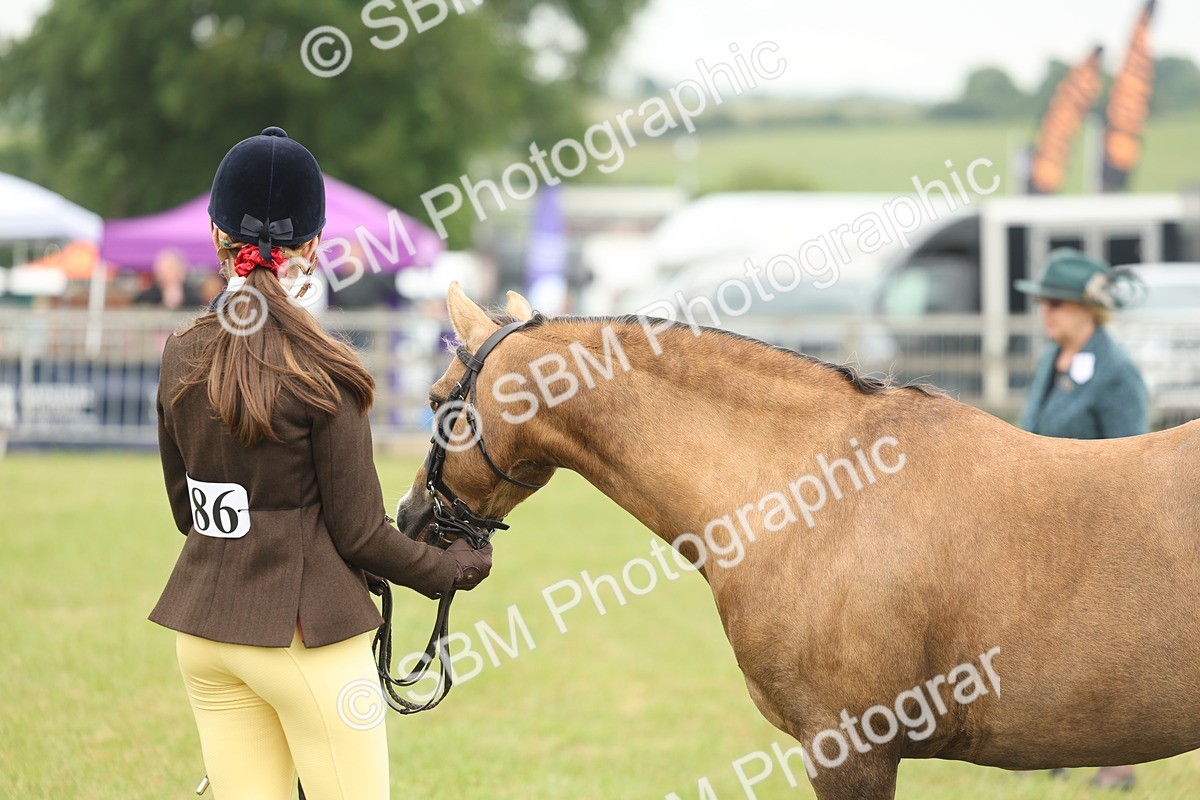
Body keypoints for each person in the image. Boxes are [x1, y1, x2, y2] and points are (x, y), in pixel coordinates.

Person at [149, 126, 492, 800]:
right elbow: (360, 535)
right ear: (312, 246)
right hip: (304, 642)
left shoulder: (178, 354)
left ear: (217, 235)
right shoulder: (327, 370)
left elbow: (189, 509)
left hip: (206, 640)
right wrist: (449, 570)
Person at [1015, 248, 1147, 791]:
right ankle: (1056, 745)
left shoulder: (1117, 372)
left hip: (1099, 530)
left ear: (1088, 310)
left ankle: (1118, 763)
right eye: (1043, 301)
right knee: (1044, 644)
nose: (1046, 312)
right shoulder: (1053, 359)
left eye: (1057, 303)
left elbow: (1132, 457)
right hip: (1047, 527)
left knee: (1106, 649)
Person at [134, 248, 203, 309]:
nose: (168, 273)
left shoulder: (192, 294)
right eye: (164, 269)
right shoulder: (147, 295)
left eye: (172, 268)